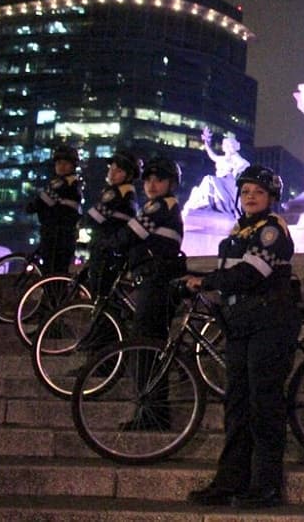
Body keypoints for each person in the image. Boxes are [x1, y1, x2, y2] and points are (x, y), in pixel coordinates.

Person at [185, 165, 298, 509]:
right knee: (236, 406)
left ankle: (267, 486)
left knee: (264, 405)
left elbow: (250, 273)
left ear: (271, 198)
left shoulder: (272, 230)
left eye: (258, 192)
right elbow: (228, 274)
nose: (250, 196)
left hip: (269, 323)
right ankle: (230, 481)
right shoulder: (240, 231)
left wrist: (206, 282)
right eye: (246, 191)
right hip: (242, 325)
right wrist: (193, 279)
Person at [97, 157, 185, 431]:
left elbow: (131, 233)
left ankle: (152, 414)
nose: (152, 185)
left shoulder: (161, 206)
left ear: (171, 183)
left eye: (159, 179)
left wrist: (107, 244)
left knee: (145, 347)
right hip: (152, 279)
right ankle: (152, 411)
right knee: (149, 345)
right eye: (148, 180)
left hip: (156, 282)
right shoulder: (160, 205)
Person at [85, 150, 140, 297]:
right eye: (111, 169)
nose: (112, 173)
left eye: (119, 171)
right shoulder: (127, 192)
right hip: (113, 248)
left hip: (106, 248)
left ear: (129, 176)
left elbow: (94, 216)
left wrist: (82, 221)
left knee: (100, 293)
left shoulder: (118, 192)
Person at [25, 145, 83, 275]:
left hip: (57, 235)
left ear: (73, 166)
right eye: (58, 163)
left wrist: (31, 206)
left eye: (65, 163)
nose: (61, 166)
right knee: (57, 272)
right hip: (61, 235)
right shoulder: (70, 183)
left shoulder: (64, 184)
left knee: (52, 272)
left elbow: (39, 202)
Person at [183, 127, 250, 215]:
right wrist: (207, 142)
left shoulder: (236, 159)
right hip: (220, 182)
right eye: (225, 145)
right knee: (207, 180)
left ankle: (209, 203)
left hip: (228, 183)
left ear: (232, 147)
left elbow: (245, 166)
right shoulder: (222, 159)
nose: (225, 147)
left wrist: (235, 171)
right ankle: (205, 203)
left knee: (209, 179)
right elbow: (212, 155)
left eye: (227, 145)